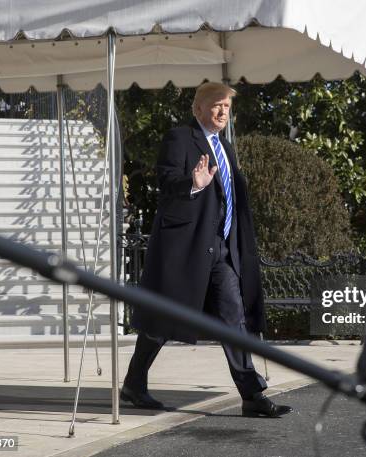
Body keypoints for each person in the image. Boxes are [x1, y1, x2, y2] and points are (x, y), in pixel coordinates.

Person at [121, 82, 292, 418]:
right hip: (185, 249)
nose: (222, 112)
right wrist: (192, 185)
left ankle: (251, 395)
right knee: (163, 320)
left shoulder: (224, 147)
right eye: (216, 105)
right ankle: (134, 384)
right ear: (198, 109)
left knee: (233, 317)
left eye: (227, 107)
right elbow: (167, 182)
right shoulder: (180, 138)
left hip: (221, 252)